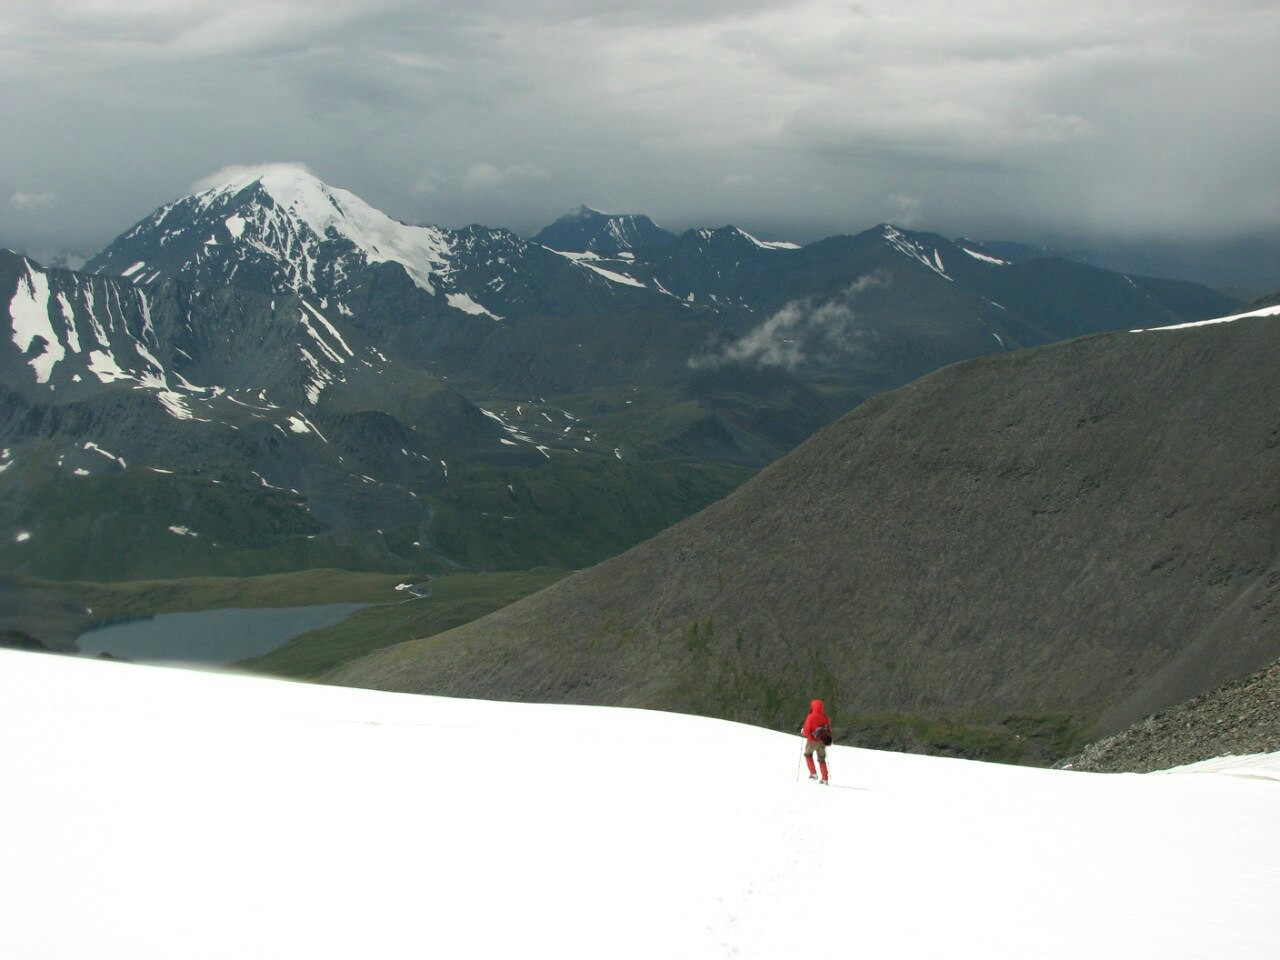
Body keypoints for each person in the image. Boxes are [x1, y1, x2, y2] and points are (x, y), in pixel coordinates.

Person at [800, 698, 833, 784]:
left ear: (813, 706)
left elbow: (806, 731)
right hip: (822, 741)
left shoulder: (810, 716)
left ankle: (813, 773)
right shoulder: (825, 717)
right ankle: (825, 778)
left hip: (812, 741)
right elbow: (829, 729)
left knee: (808, 754)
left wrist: (803, 732)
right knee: (822, 759)